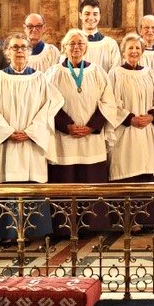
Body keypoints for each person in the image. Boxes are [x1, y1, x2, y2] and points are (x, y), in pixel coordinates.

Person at [0, 34, 63, 242]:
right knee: (4, 183)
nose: (19, 51)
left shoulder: (39, 78)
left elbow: (51, 106)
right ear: (7, 52)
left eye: (23, 47)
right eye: (14, 47)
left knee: (30, 184)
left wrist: (31, 131)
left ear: (29, 52)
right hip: (4, 143)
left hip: (31, 142)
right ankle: (3, 233)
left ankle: (32, 231)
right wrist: (7, 131)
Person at [48, 29, 121, 233]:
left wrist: (92, 126)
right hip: (65, 139)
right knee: (66, 184)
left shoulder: (97, 71)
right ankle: (64, 228)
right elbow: (47, 104)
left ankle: (93, 226)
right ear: (64, 47)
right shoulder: (53, 73)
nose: (76, 47)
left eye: (80, 43)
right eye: (72, 43)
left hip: (91, 139)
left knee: (91, 183)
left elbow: (108, 101)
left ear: (86, 47)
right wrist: (66, 125)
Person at [108, 34, 154, 227]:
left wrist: (151, 115)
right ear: (123, 51)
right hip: (126, 132)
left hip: (146, 131)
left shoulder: (149, 72)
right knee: (127, 170)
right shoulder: (115, 73)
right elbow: (110, 102)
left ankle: (146, 220)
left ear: (142, 51)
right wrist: (129, 118)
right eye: (130, 48)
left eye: (137, 48)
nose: (134, 52)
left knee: (145, 172)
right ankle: (125, 220)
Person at [80, 0, 120, 73]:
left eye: (95, 14)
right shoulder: (71, 44)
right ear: (80, 15)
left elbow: (115, 72)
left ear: (100, 16)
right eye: (87, 14)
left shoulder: (110, 44)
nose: (91, 18)